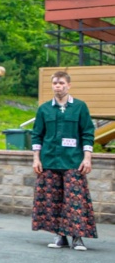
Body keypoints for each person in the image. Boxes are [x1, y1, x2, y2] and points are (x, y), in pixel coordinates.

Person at [31, 70, 97, 251]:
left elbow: (87, 133)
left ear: (69, 85)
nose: (58, 86)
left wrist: (87, 158)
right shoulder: (44, 109)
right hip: (49, 160)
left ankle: (77, 237)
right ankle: (59, 237)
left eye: (61, 83)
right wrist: (36, 159)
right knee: (53, 199)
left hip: (73, 160)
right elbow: (37, 135)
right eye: (55, 83)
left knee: (75, 199)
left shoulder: (80, 107)